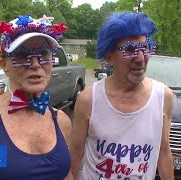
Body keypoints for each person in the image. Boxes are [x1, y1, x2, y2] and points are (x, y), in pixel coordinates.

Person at [0, 14, 73, 180]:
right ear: (4, 64)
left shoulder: (61, 121)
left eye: (44, 54)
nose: (35, 64)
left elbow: (66, 175)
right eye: (22, 55)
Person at [70, 11, 174, 180]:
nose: (140, 58)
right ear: (109, 57)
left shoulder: (164, 97)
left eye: (145, 47)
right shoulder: (89, 100)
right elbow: (75, 153)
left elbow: (164, 153)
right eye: (130, 50)